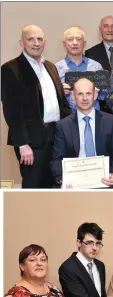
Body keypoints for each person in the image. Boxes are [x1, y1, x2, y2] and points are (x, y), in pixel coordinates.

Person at [1, 25, 71, 189]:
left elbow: (63, 103)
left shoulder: (51, 67)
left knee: (54, 184)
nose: (36, 43)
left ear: (44, 42)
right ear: (22, 43)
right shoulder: (10, 69)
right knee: (34, 186)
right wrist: (23, 145)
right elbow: (12, 112)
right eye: (31, 39)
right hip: (31, 143)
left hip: (56, 136)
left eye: (39, 39)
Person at [51, 78, 113, 188]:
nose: (85, 98)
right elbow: (57, 160)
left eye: (88, 93)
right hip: (74, 184)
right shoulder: (63, 126)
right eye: (80, 94)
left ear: (95, 95)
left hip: (105, 181)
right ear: (73, 96)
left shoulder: (111, 121)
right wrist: (63, 180)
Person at [55, 27, 106, 112]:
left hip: (94, 118)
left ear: (84, 43)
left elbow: (105, 96)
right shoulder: (55, 69)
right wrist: (60, 93)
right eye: (70, 39)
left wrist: (97, 91)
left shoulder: (96, 67)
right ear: (64, 44)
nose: (74, 43)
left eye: (78, 39)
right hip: (67, 119)